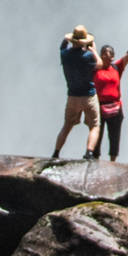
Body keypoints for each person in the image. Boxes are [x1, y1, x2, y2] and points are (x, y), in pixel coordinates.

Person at [92, 31, 128, 161]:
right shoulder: (94, 69)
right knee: (97, 134)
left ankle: (113, 161)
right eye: (103, 53)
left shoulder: (116, 68)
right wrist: (91, 47)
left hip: (115, 107)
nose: (105, 55)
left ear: (113, 57)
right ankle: (95, 157)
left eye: (108, 53)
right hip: (99, 106)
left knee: (114, 135)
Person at [51, 27, 99, 160]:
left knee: (67, 125)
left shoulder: (65, 55)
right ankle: (89, 152)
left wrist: (66, 40)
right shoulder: (88, 56)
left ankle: (56, 152)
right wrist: (94, 50)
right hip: (89, 95)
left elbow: (62, 47)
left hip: (72, 95)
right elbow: (99, 64)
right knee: (94, 126)